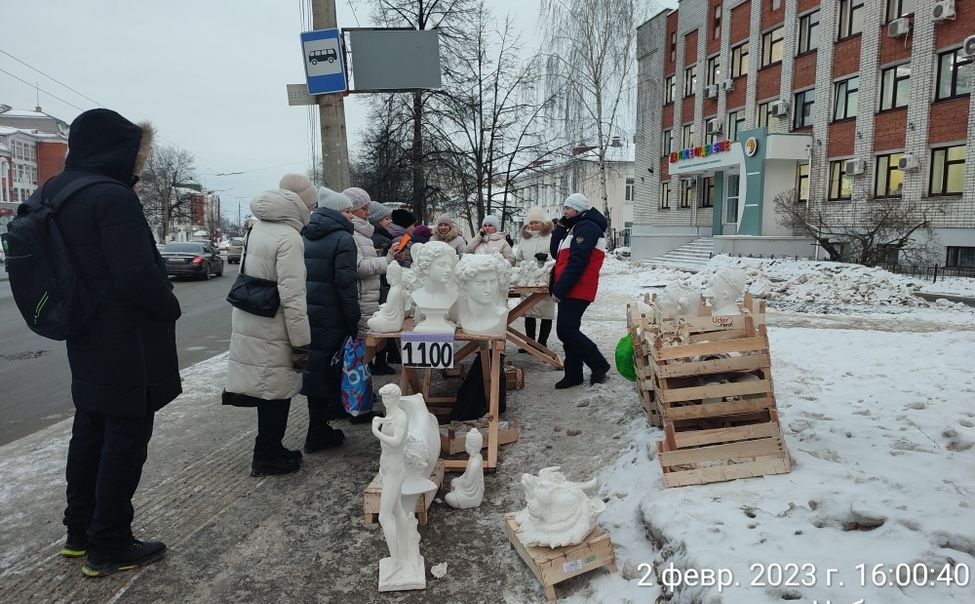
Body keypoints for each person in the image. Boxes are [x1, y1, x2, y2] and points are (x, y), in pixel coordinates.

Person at [51, 109, 178, 577]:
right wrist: (169, 306)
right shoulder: (111, 197)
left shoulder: (59, 192)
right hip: (126, 340)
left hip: (83, 333)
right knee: (125, 439)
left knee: (90, 432)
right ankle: (110, 544)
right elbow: (135, 274)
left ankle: (79, 532)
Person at [223, 187, 316, 477]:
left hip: (252, 316)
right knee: (277, 390)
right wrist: (302, 342)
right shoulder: (289, 237)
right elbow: (293, 296)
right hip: (275, 323)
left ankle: (269, 448)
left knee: (266, 388)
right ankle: (266, 455)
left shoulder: (257, 226)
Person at [300, 187, 361, 442]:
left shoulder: (305, 234)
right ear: (336, 213)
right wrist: (353, 320)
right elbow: (346, 285)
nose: (352, 216)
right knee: (329, 368)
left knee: (315, 368)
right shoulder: (343, 239)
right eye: (348, 211)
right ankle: (318, 431)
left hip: (308, 312)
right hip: (332, 315)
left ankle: (318, 424)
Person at [550, 193, 610, 389]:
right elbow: (555, 253)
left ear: (578, 209)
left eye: (568, 208)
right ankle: (573, 374)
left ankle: (598, 363)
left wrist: (560, 288)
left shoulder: (587, 227)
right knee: (569, 331)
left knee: (566, 331)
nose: (564, 212)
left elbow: (577, 262)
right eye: (564, 208)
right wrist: (560, 227)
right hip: (572, 286)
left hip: (578, 286)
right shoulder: (575, 226)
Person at [514, 206, 556, 352]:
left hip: (545, 279)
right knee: (528, 311)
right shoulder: (524, 239)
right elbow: (518, 258)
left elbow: (557, 257)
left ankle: (542, 343)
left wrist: (547, 259)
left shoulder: (551, 237)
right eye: (531, 222)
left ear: (543, 223)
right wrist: (521, 269)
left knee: (546, 313)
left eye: (537, 222)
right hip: (528, 281)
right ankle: (530, 343)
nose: (534, 225)